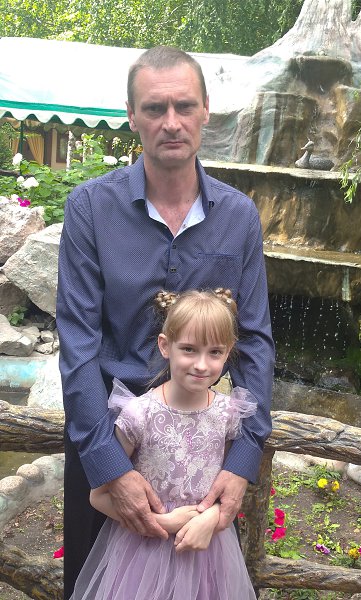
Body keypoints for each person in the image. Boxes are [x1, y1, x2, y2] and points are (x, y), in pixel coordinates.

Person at [57, 45, 275, 599]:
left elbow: (254, 342)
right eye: (155, 108)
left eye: (184, 106)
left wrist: (242, 460)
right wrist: (109, 466)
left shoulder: (238, 217)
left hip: (201, 451)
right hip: (111, 434)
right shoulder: (90, 209)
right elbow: (78, 343)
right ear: (132, 116)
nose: (171, 122)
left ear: (206, 110)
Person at [70, 289, 258, 599]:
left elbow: (224, 488)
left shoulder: (228, 414)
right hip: (143, 556)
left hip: (207, 554)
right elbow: (98, 496)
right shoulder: (139, 415)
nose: (201, 364)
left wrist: (212, 518)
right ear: (165, 345)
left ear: (229, 353)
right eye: (189, 349)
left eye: (215, 352)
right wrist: (162, 523)